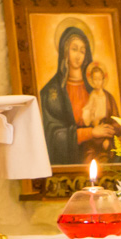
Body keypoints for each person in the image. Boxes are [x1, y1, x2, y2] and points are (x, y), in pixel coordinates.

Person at [38, 23, 116, 165]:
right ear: (65, 51)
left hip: (99, 158)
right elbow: (52, 136)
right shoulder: (51, 92)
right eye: (74, 49)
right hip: (69, 164)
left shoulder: (97, 90)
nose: (78, 55)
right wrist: (90, 133)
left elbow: (115, 123)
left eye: (82, 50)